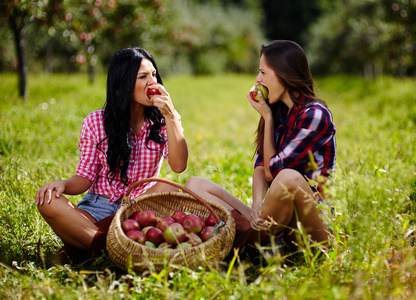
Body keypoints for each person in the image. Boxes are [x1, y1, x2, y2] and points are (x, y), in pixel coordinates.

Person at [35, 47, 188, 263]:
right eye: (143, 76)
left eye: (154, 75)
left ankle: (91, 247)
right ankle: (113, 247)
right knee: (47, 202)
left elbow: (179, 166)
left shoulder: (164, 120)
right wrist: (61, 185)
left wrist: (172, 117)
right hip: (97, 208)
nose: (153, 82)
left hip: (139, 207)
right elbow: (84, 179)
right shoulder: (95, 122)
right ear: (124, 83)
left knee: (173, 186)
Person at [184, 40, 336, 257]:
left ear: (284, 73)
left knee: (288, 178)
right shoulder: (278, 111)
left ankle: (238, 250)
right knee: (196, 185)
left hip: (310, 227)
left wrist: (266, 116)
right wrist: (256, 204)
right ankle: (259, 243)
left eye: (263, 72)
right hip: (274, 220)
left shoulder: (315, 115)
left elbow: (273, 172)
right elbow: (261, 165)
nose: (257, 79)